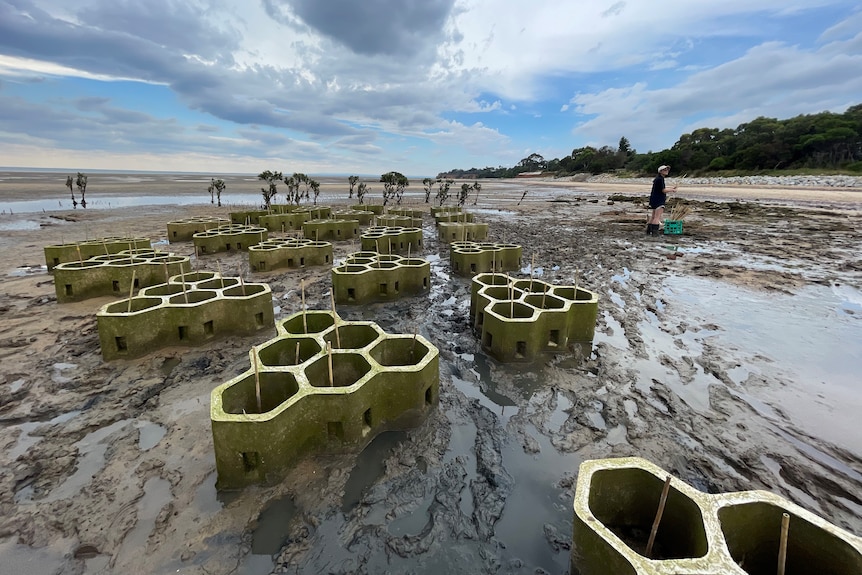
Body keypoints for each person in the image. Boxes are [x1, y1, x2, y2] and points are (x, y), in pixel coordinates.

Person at [646, 165, 676, 235]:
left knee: (653, 216)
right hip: (659, 200)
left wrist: (671, 188)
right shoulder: (660, 179)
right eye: (665, 170)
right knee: (657, 217)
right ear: (660, 171)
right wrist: (672, 190)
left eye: (667, 169)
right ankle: (655, 233)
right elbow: (663, 190)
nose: (667, 171)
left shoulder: (657, 179)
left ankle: (649, 231)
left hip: (654, 199)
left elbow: (661, 189)